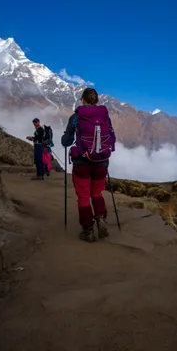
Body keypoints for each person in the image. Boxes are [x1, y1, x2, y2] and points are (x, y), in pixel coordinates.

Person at [61, 88, 116, 243]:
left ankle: (88, 231)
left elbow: (66, 141)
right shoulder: (105, 117)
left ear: (83, 100)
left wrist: (65, 138)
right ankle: (100, 219)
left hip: (82, 163)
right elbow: (112, 138)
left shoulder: (76, 117)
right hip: (101, 162)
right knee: (97, 193)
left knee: (84, 196)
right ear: (96, 100)